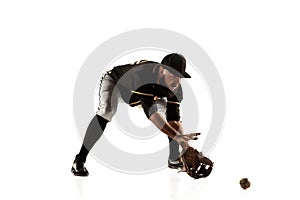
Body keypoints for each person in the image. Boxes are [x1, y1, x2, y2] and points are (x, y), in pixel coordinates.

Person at [71, 53, 200, 176]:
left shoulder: (176, 88)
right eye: (173, 75)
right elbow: (152, 114)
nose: (177, 80)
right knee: (107, 111)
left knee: (170, 114)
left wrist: (185, 146)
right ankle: (79, 160)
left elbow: (174, 120)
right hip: (116, 83)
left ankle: (173, 158)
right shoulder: (143, 75)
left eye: (180, 77)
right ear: (161, 71)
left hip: (141, 96)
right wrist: (177, 136)